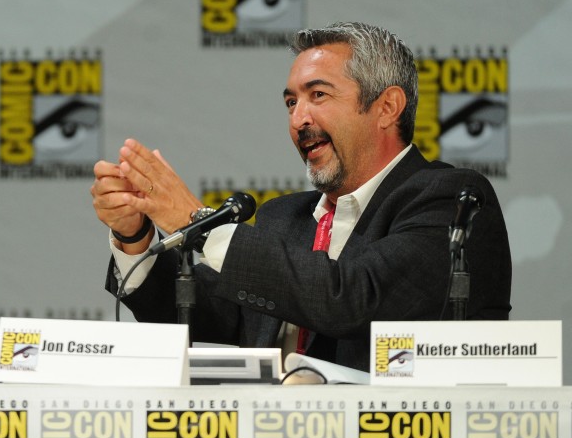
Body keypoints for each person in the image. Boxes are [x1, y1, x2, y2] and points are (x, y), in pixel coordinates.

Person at [91, 21, 512, 372]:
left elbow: (353, 299)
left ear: (387, 107)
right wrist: (135, 237)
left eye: (318, 95)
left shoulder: (453, 201)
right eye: (291, 102)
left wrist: (194, 220)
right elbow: (208, 315)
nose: (298, 119)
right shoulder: (285, 218)